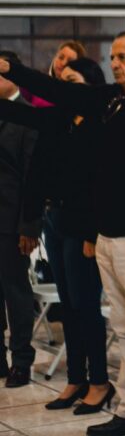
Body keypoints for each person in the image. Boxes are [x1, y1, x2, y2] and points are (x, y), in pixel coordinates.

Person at [0, 31, 125, 436]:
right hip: (108, 236)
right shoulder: (112, 100)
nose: (115, 63)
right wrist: (11, 70)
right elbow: (56, 92)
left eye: (124, 57)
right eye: (113, 57)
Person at [0, 57, 112, 407]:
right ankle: (76, 379)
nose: (65, 89)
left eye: (73, 82)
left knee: (85, 305)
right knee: (68, 306)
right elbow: (36, 171)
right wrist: (36, 217)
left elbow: (100, 184)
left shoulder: (100, 123)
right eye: (61, 82)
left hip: (84, 224)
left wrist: (93, 235)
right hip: (56, 221)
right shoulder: (58, 119)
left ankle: (99, 381)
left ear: (91, 87)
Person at [0, 51, 39, 389]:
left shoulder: (29, 116)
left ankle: (22, 360)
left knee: (16, 291)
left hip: (13, 219)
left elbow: (33, 176)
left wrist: (29, 226)